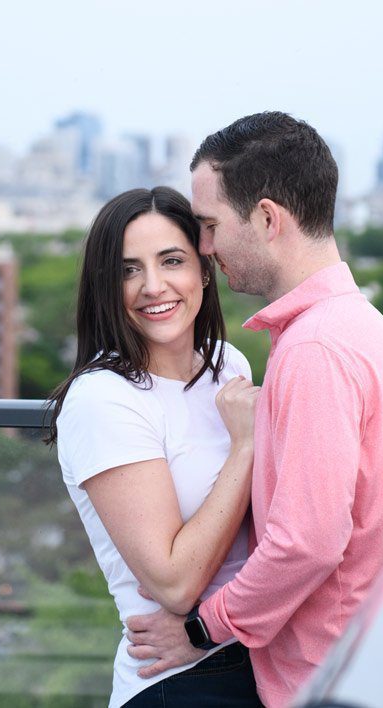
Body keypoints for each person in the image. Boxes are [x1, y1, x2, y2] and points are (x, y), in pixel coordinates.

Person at [124, 112, 383, 707]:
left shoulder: (315, 347)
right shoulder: (359, 323)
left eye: (210, 226)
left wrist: (201, 630)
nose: (205, 249)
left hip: (321, 680)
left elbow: (306, 543)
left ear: (266, 218)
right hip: (366, 657)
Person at [49, 187, 265, 708]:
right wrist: (244, 448)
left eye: (172, 261)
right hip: (178, 681)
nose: (152, 286)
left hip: (255, 656)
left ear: (204, 269)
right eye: (128, 270)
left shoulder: (227, 364)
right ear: (106, 285)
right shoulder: (104, 399)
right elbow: (173, 585)